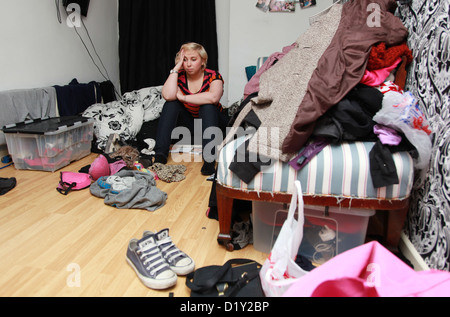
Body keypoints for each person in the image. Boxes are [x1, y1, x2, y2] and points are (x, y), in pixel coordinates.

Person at [154, 42, 229, 175]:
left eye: (193, 59)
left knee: (207, 106)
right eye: (185, 60)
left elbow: (213, 98)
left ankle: (209, 160)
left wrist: (184, 98)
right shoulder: (179, 77)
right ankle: (160, 155)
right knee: (171, 104)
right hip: (192, 124)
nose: (188, 64)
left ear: (203, 61)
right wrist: (176, 68)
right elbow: (168, 95)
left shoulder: (213, 76)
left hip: (214, 122)